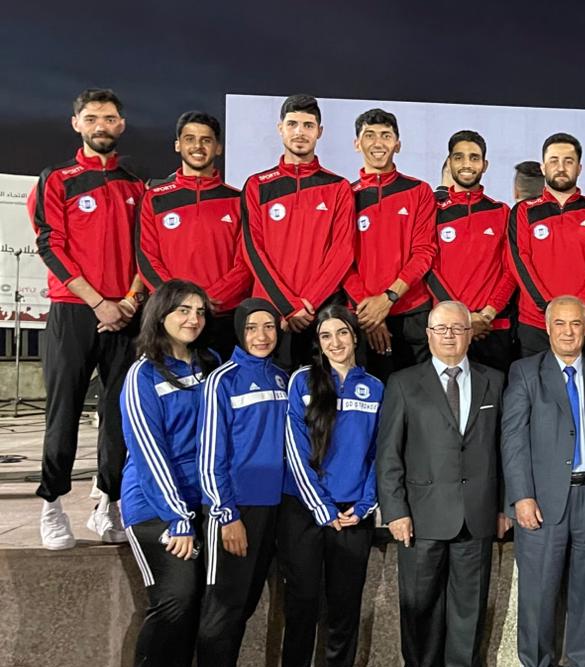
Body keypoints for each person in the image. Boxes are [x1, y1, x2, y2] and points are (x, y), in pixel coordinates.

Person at [29, 87, 147, 549]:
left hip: (127, 314)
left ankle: (108, 503)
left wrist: (130, 300)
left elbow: (145, 251)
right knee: (64, 412)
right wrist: (99, 302)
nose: (102, 125)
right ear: (76, 123)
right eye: (93, 117)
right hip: (75, 312)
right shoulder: (57, 179)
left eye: (110, 118)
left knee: (119, 417)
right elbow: (50, 246)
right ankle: (52, 504)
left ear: (122, 125)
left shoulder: (136, 185)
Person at [501, 295, 585, 667]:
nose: (568, 331)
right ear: (547, 328)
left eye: (576, 323)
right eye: (560, 323)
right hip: (541, 503)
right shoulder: (525, 372)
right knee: (538, 594)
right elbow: (513, 440)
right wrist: (521, 496)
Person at [377, 300, 509, 667]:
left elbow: (505, 450)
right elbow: (389, 454)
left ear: (470, 334)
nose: (449, 336)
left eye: (457, 329)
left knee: (470, 606)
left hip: (477, 514)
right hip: (420, 517)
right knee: (420, 607)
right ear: (429, 334)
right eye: (441, 329)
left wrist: (504, 506)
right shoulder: (403, 383)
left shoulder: (494, 380)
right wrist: (395, 510)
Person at [120, 279, 219, 667]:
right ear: (160, 315)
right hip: (155, 505)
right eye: (183, 310)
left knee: (200, 607)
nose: (193, 319)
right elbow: (148, 452)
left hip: (203, 502)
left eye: (199, 311)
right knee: (175, 599)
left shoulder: (211, 364)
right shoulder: (142, 375)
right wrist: (178, 517)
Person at [278, 304, 382, 667]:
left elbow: (380, 454)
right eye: (325, 336)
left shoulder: (375, 388)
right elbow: (294, 448)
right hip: (305, 511)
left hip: (353, 515)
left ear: (355, 337)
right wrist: (321, 507)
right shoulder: (301, 381)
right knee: (302, 606)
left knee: (345, 608)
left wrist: (365, 504)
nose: (335, 342)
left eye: (341, 333)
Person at [195, 298, 290, 667]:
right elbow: (209, 455)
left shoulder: (283, 378)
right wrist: (226, 514)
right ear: (239, 332)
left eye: (268, 327)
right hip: (234, 511)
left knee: (244, 607)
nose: (261, 336)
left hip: (273, 509)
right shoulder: (222, 380)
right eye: (252, 328)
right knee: (222, 610)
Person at [240, 94, 354, 368]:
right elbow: (253, 250)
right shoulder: (257, 185)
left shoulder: (338, 187)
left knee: (321, 391)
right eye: (292, 124)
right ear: (281, 128)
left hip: (319, 314)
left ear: (319, 132)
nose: (300, 132)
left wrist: (308, 303)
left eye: (308, 125)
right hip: (272, 314)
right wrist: (287, 305)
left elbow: (343, 252)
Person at [137, 111, 252, 362]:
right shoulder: (155, 198)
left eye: (206, 140)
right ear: (178, 145)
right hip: (171, 317)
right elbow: (147, 257)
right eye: (189, 139)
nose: (197, 146)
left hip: (223, 316)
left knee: (221, 385)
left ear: (218, 148)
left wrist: (208, 301)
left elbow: (246, 262)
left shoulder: (237, 199)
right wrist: (179, 301)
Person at [342, 108, 438, 380]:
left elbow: (424, 251)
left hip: (412, 314)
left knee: (415, 397)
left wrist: (388, 299)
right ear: (357, 143)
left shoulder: (419, 191)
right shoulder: (345, 195)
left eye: (386, 135)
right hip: (362, 316)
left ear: (398, 144)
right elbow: (340, 259)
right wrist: (370, 311)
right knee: (366, 396)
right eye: (369, 135)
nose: (378, 143)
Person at [508, 134, 585, 358]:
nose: (561, 167)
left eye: (568, 161)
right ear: (543, 167)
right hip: (536, 325)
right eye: (554, 160)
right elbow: (520, 263)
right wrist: (549, 309)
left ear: (579, 168)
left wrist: (578, 314)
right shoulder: (523, 211)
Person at [427, 130, 519, 373]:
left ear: (485, 165)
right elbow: (428, 267)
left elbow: (510, 271)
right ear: (449, 163)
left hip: (491, 328)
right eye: (459, 157)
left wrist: (487, 314)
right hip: (447, 329)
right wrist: (461, 318)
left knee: (493, 395)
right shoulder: (432, 212)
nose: (467, 164)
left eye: (474, 158)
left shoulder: (501, 212)